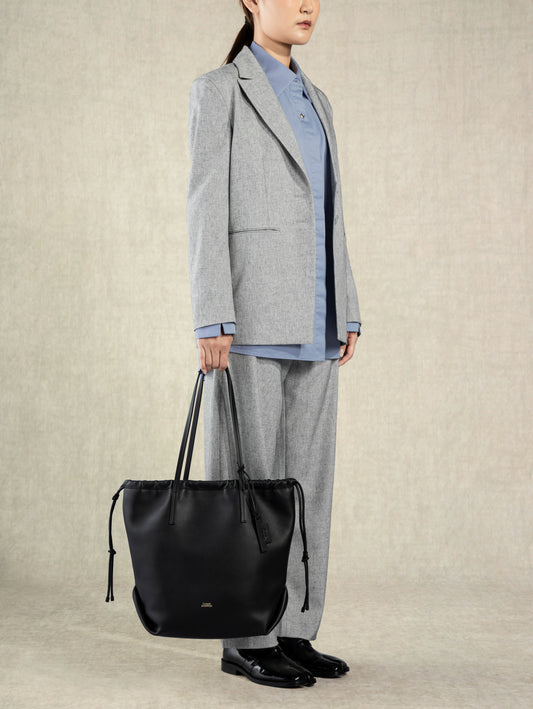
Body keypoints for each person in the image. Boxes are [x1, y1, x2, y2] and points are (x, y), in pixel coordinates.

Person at [186, 0, 362, 689]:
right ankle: (245, 636)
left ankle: (293, 628)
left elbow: (330, 211)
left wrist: (347, 305)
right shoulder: (219, 90)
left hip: (317, 317)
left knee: (307, 485)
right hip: (250, 314)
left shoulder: (318, 99)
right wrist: (211, 315)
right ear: (251, 2)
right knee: (250, 484)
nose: (307, 5)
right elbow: (205, 202)